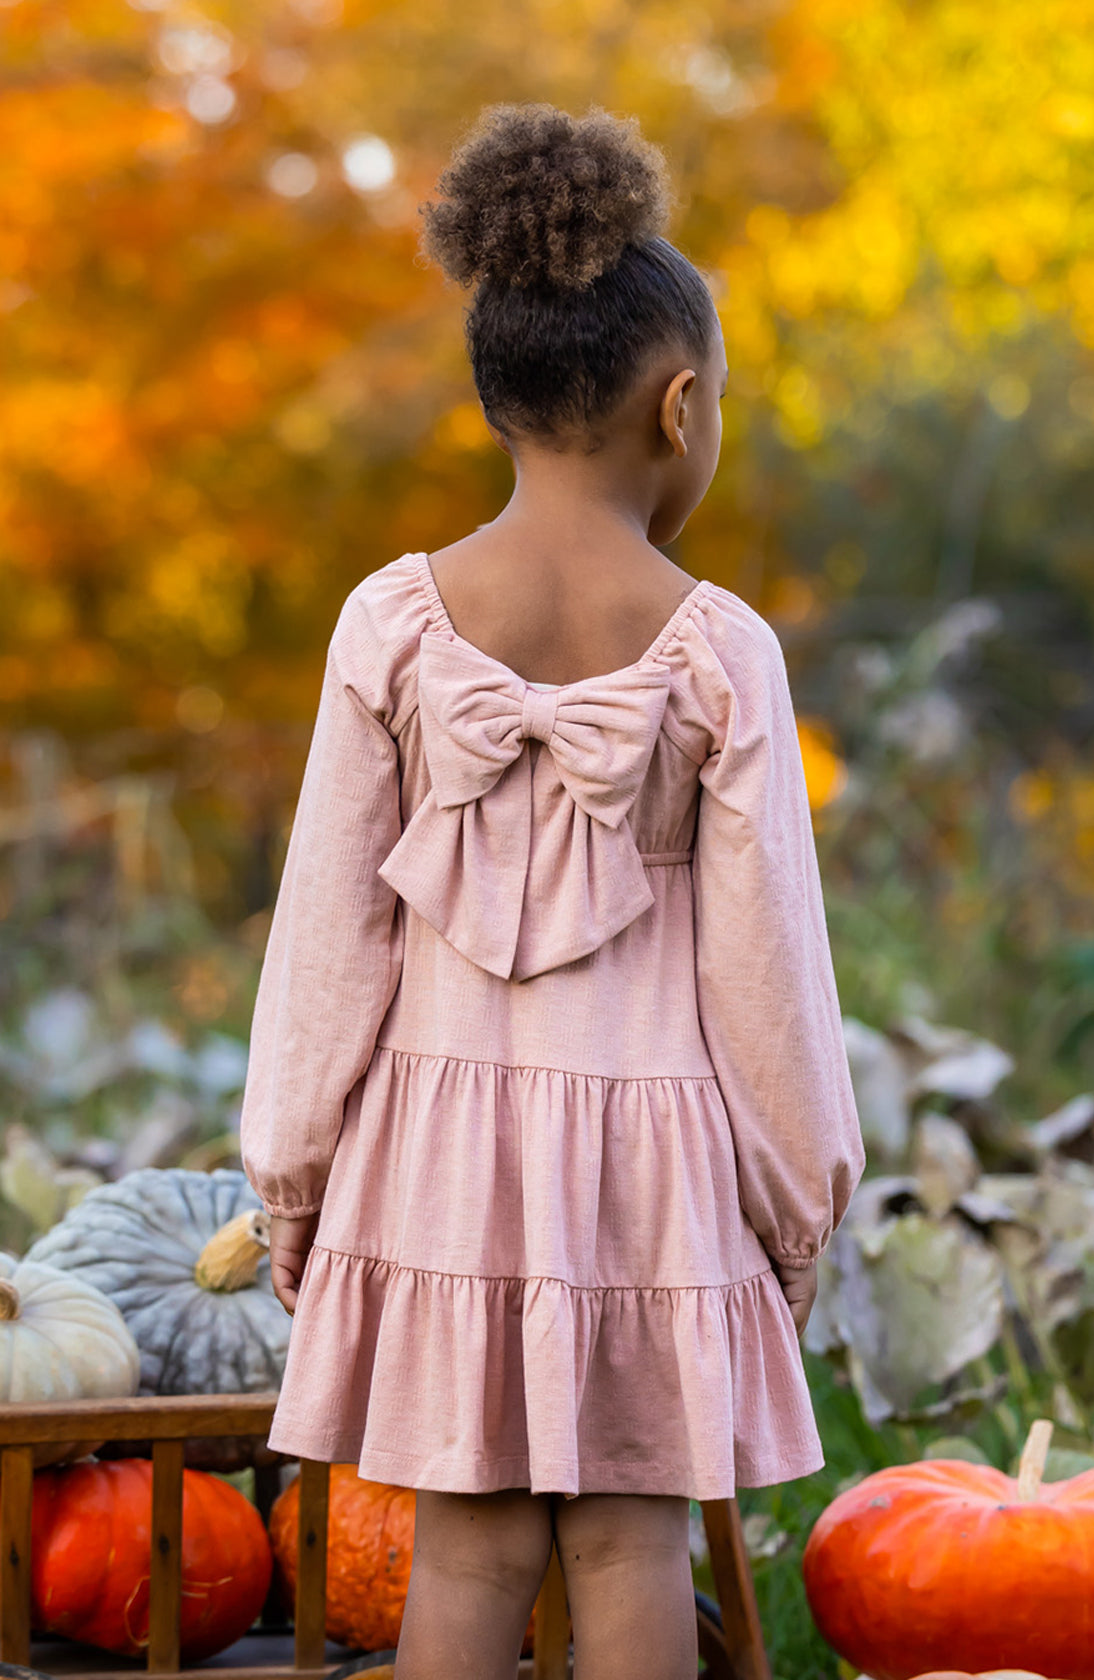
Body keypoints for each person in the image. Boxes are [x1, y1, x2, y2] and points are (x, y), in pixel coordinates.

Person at [239, 102, 866, 1680]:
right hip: (652, 1159)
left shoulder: (386, 626)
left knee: (463, 1543)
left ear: (499, 404)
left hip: (435, 1151)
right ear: (679, 407)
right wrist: (796, 1194)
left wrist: (295, 1171)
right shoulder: (723, 651)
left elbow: (326, 937)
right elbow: (766, 968)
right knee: (629, 1538)